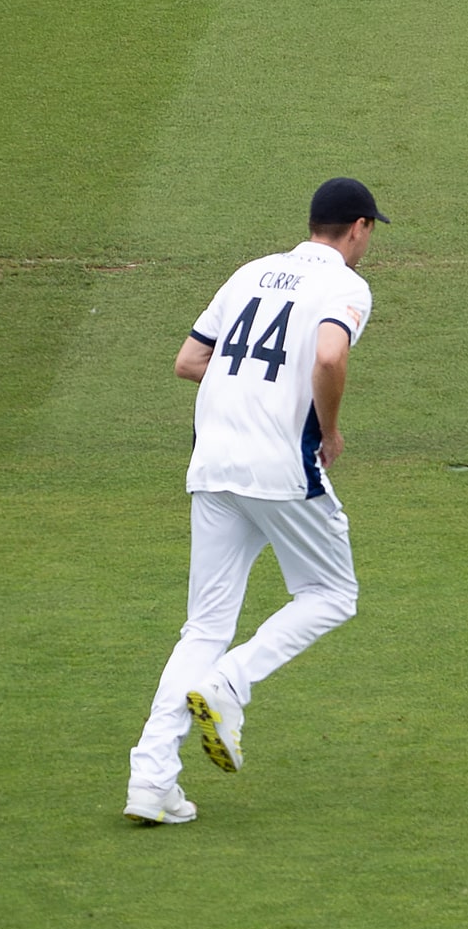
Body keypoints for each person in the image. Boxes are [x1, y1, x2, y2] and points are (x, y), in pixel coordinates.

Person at [124, 177, 382, 825]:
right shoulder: (346, 286)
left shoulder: (251, 273)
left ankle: (150, 778)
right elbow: (327, 355)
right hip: (277, 466)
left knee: (203, 626)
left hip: (212, 462)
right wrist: (328, 428)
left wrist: (248, 385)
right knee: (331, 593)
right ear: (357, 227)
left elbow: (189, 360)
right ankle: (230, 684)